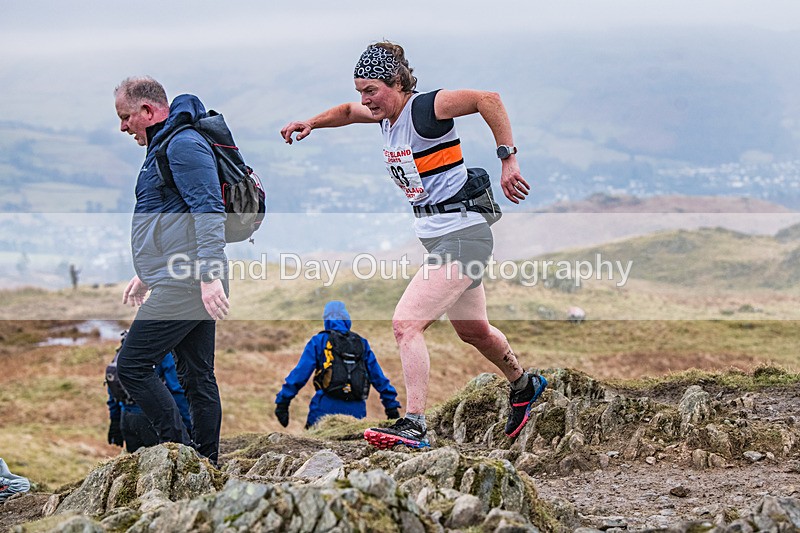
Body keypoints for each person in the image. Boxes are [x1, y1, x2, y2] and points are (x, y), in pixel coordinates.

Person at [280, 42, 547, 449]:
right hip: (442, 237)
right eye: (360, 91)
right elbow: (346, 113)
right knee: (473, 330)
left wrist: (508, 159)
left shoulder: (426, 108)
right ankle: (524, 384)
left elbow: (487, 99)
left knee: (406, 325)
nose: (364, 100)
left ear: (398, 82)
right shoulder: (381, 117)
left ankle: (415, 424)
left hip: (464, 236)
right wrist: (311, 123)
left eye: (371, 90)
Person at [113, 76, 229, 465]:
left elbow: (208, 208)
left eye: (126, 117)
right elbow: (170, 217)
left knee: (131, 366)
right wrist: (148, 273)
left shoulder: (181, 144)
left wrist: (210, 277)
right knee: (196, 376)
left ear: (147, 111)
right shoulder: (165, 146)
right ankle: (207, 464)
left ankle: (181, 455)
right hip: (181, 275)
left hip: (190, 278)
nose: (123, 127)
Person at [274, 301, 402, 429]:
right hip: (356, 415)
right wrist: (391, 406)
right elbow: (378, 377)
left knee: (314, 445)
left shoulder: (319, 341)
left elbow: (300, 374)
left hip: (323, 412)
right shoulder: (361, 343)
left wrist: (283, 402)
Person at [108, 352, 193, 453]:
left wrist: (115, 420)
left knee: (137, 463)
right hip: (153, 418)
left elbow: (113, 386)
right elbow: (176, 390)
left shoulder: (126, 348)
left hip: (126, 418)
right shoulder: (163, 352)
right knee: (160, 461)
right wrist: (188, 426)